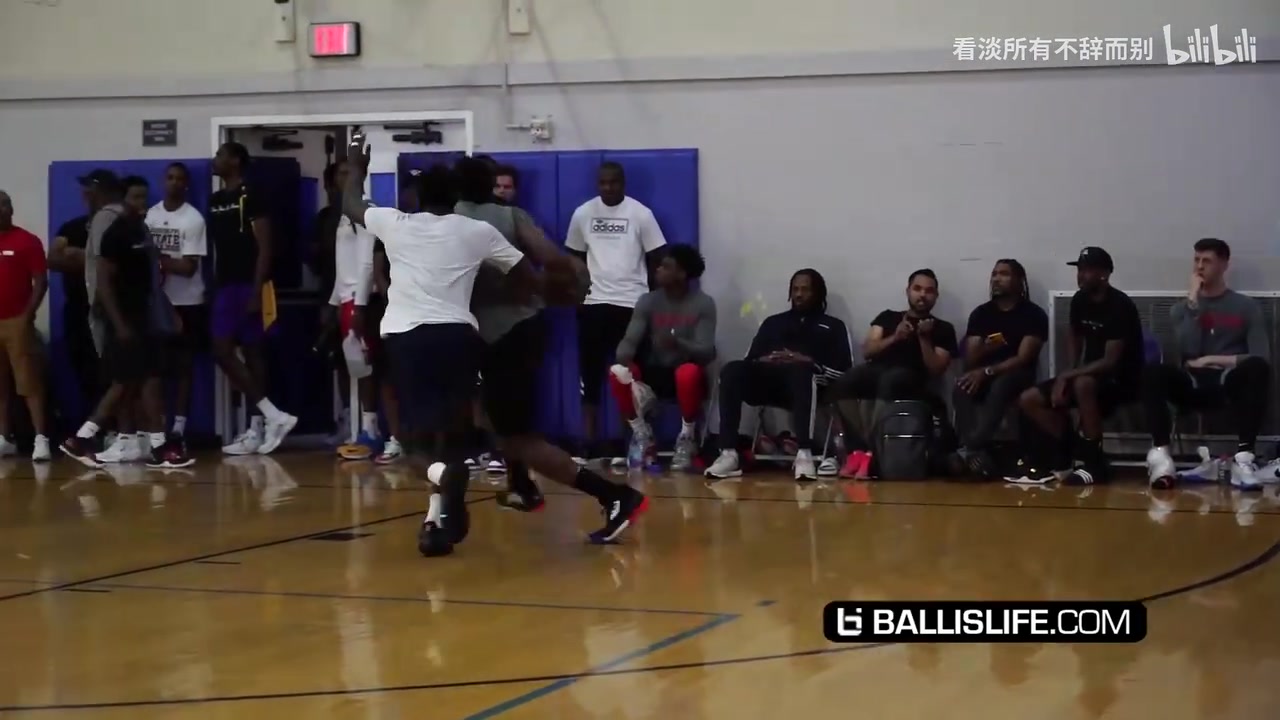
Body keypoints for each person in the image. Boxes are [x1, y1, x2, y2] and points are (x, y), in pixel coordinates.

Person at [449, 155, 650, 542]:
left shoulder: (450, 220)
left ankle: (614, 496)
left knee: (515, 436)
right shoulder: (511, 216)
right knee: (493, 418)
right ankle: (521, 483)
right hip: (525, 326)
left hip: (499, 335)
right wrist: (570, 289)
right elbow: (558, 262)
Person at [61, 175, 190, 469]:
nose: (141, 203)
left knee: (142, 379)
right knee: (129, 380)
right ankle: (86, 438)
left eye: (144, 197)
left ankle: (148, 444)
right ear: (121, 200)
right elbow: (104, 282)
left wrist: (166, 310)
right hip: (124, 318)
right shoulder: (114, 232)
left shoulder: (140, 231)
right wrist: (119, 324)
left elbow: (150, 280)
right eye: (135, 198)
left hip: (144, 315)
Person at [1143, 238, 1271, 489]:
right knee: (1152, 373)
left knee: (1257, 369)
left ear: (1223, 265)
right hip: (1191, 382)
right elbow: (1187, 348)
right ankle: (1161, 456)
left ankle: (1244, 457)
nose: (1200, 267)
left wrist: (1212, 359)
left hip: (1228, 381)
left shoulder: (1246, 307)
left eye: (1207, 261)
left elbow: (1260, 356)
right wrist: (1193, 301)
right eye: (1196, 260)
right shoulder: (1181, 310)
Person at [705, 269, 852, 481]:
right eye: (795, 289)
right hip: (771, 385)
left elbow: (844, 371)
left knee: (800, 371)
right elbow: (750, 360)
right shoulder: (773, 323)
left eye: (805, 290)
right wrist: (764, 360)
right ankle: (728, 453)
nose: (799, 294)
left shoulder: (833, 326)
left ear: (818, 293)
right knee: (732, 370)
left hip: (813, 387)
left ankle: (804, 453)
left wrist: (806, 361)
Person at [565, 162, 668, 463]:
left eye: (613, 182)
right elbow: (574, 257)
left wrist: (649, 299)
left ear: (623, 183)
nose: (608, 187)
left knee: (630, 377)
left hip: (631, 305)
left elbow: (657, 258)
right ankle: (588, 442)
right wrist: (578, 296)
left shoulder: (641, 214)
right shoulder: (583, 213)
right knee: (590, 376)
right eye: (603, 182)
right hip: (594, 304)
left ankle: (633, 443)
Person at [1015, 247, 1143, 486]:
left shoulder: (1120, 305)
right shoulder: (1079, 300)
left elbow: (1110, 361)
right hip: (1089, 373)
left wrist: (1068, 376)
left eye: (1087, 270)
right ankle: (1070, 451)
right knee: (1028, 399)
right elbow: (1075, 338)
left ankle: (1095, 464)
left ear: (1104, 274)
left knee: (1083, 384)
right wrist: (1066, 375)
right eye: (1079, 270)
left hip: (1121, 380)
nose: (1080, 276)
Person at [207, 141, 297, 455]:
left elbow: (265, 248)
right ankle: (270, 419)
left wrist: (257, 290)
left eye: (220, 155)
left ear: (235, 160)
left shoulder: (253, 195)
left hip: (250, 284)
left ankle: (261, 424)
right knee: (223, 351)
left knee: (252, 351)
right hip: (225, 285)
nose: (215, 159)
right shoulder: (216, 200)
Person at [828, 269, 958, 475]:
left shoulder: (943, 328)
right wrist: (895, 337)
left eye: (929, 291)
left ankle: (872, 451)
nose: (922, 295)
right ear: (908, 291)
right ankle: (858, 450)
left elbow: (936, 369)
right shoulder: (887, 317)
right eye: (917, 289)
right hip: (877, 371)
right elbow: (868, 351)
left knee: (892, 380)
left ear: (936, 296)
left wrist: (924, 339)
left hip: (914, 379)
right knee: (845, 381)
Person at [608, 244, 716, 470]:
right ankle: (642, 436)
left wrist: (677, 343)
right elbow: (629, 342)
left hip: (686, 375)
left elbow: (706, 351)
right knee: (617, 372)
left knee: (688, 372)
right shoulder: (648, 301)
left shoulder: (703, 303)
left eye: (666, 267)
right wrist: (625, 361)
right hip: (652, 373)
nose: (658, 270)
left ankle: (687, 438)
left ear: (682, 274)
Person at [952, 259, 1047, 477]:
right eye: (994, 274)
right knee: (961, 386)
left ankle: (971, 448)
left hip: (1018, 374)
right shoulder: (982, 313)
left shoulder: (1033, 314)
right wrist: (986, 349)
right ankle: (973, 449)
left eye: (1004, 274)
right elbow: (970, 359)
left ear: (1019, 280)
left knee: (1001, 385)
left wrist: (987, 372)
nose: (996, 279)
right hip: (983, 373)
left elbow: (1024, 357)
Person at [325, 159, 387, 461]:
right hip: (347, 297)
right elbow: (343, 264)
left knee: (367, 366)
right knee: (356, 366)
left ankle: (371, 431)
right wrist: (335, 302)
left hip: (364, 300)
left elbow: (366, 263)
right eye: (341, 174)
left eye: (350, 173)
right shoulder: (343, 215)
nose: (345, 178)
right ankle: (364, 428)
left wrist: (359, 305)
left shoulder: (366, 210)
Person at [145, 162, 207, 442]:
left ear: (186, 184)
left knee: (183, 367)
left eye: (179, 178)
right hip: (157, 302)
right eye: (169, 177)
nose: (174, 182)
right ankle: (155, 427)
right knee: (154, 369)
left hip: (187, 301)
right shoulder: (151, 215)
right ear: (163, 181)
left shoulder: (193, 219)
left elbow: (188, 267)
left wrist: (157, 261)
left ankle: (179, 427)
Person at [0, 190, 52, 461]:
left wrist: (27, 315)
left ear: (11, 209)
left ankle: (41, 439)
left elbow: (41, 281)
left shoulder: (27, 241)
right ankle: (3, 437)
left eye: (4, 205)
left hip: (16, 322)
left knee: (28, 381)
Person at [46, 197, 99, 416]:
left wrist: (78, 256)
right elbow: (52, 259)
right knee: (81, 365)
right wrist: (90, 262)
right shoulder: (72, 227)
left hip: (105, 309)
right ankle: (94, 422)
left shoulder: (117, 230)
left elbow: (114, 265)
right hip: (77, 309)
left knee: (109, 369)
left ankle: (113, 425)